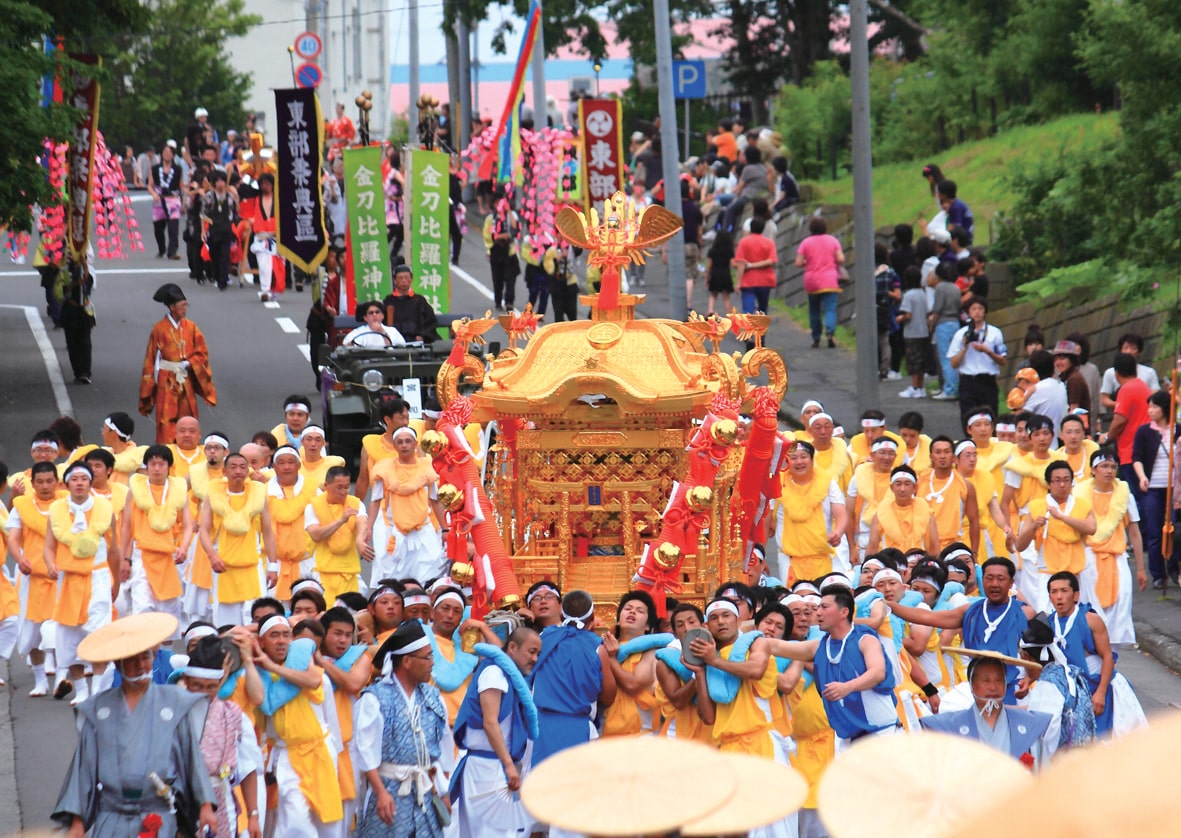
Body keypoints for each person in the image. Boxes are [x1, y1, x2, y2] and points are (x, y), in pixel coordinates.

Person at [52, 612, 218, 837]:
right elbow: (84, 770)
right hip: (111, 815)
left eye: (146, 658)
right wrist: (77, 823)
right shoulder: (99, 709)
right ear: (118, 664)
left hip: (158, 814)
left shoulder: (174, 703)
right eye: (132, 660)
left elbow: (191, 759)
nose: (141, 666)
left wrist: (205, 805)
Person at [354, 620, 453, 838]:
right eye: (427, 657)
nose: (432, 663)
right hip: (389, 790)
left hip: (426, 791)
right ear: (406, 661)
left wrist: (444, 791)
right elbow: (364, 750)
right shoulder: (376, 698)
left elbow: (443, 748)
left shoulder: (433, 698)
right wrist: (380, 792)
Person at [888, 557, 1036, 702]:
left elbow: (1040, 655)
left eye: (1000, 579)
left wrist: (1029, 678)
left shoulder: (1025, 613)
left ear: (1011, 583)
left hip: (1014, 686)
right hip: (977, 686)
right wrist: (890, 606)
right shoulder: (971, 611)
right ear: (982, 580)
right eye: (989, 578)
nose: (994, 584)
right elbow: (926, 617)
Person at [768, 587, 898, 751]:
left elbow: (878, 672)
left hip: (882, 736)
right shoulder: (820, 646)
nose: (818, 613)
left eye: (824, 607)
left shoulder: (865, 640)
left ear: (844, 612)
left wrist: (847, 687)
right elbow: (777, 646)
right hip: (847, 742)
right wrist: (745, 632)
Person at [450, 627, 542, 838]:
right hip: (485, 768)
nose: (535, 658)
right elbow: (490, 723)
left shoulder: (508, 675)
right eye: (531, 651)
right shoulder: (494, 672)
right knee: (491, 833)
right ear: (512, 647)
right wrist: (509, 766)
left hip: (495, 767)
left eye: (538, 653)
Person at [46, 462, 122, 707]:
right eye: (74, 479)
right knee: (70, 637)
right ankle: (81, 690)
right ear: (66, 483)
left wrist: (116, 580)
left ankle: (99, 689)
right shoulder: (57, 511)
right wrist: (50, 564)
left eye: (83, 479)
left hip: (97, 578)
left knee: (98, 634)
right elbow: (49, 547)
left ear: (90, 483)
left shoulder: (104, 510)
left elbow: (114, 549)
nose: (79, 483)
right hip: (68, 581)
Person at [1044, 571, 1146, 736]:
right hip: (1070, 691)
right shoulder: (1048, 623)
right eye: (1054, 592)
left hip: (1097, 684)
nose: (1059, 596)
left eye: (1064, 591)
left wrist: (1101, 692)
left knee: (1105, 740)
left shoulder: (1090, 619)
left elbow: (1107, 656)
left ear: (1075, 595)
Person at [684, 598, 783, 758]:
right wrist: (700, 673)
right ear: (706, 626)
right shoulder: (707, 657)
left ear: (738, 621)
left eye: (726, 615)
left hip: (762, 741)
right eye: (714, 618)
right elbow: (709, 718)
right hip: (728, 748)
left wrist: (714, 661)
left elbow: (756, 670)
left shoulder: (757, 643)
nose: (721, 621)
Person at [529, 589, 617, 765]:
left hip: (542, 728)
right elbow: (608, 697)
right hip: (578, 728)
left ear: (562, 613)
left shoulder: (541, 639)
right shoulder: (597, 649)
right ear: (592, 619)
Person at [921, 654, 1051, 765]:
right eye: (986, 681)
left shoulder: (1030, 725)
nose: (993, 687)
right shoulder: (949, 727)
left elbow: (1042, 779)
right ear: (972, 685)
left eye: (999, 680)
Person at [198, 452, 277, 626]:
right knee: (226, 623)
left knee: (257, 617)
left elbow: (268, 531)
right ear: (224, 471)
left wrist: (273, 565)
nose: (238, 471)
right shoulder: (214, 494)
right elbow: (203, 530)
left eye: (243, 467)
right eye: (233, 467)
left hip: (252, 565)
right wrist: (212, 556)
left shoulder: (257, 494)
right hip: (223, 565)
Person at [1075, 448, 1145, 643]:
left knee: (1121, 605)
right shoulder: (1080, 495)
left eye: (1113, 467)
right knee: (1090, 605)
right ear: (1093, 469)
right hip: (1088, 557)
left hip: (1117, 558)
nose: (1109, 471)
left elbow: (1134, 533)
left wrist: (1140, 568)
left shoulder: (1125, 496)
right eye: (1104, 466)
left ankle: (1111, 656)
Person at [6, 461, 64, 696]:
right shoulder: (22, 505)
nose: (45, 486)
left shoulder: (66, 504)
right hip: (32, 576)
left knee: (62, 629)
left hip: (61, 577)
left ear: (57, 482)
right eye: (40, 481)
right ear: (33, 484)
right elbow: (12, 538)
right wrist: (20, 559)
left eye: (50, 481)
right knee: (31, 633)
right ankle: (40, 680)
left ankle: (61, 677)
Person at [122, 445, 191, 628]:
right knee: (143, 608)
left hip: (170, 556)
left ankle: (163, 655)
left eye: (162, 464)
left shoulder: (178, 490)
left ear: (169, 466)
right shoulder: (136, 490)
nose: (157, 468)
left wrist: (184, 548)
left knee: (167, 614)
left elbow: (188, 525)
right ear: (146, 467)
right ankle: (145, 654)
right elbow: (127, 527)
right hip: (142, 555)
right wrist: (125, 559)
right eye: (153, 464)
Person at [139, 282, 217, 444]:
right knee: (166, 420)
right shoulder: (159, 329)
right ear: (172, 307)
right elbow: (151, 361)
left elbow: (202, 353)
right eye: (182, 305)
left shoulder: (191, 327)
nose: (185, 309)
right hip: (166, 382)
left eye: (185, 305)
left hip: (185, 380)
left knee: (188, 420)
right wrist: (149, 391)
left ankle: (189, 450)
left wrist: (189, 363)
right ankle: (167, 453)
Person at [1015, 461, 1096, 613]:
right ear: (1048, 484)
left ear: (1072, 482)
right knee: (1049, 621)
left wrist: (1061, 517)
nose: (1062, 485)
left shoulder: (1082, 504)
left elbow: (1091, 528)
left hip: (1077, 573)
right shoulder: (1038, 506)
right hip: (1048, 572)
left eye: (1066, 480)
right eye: (1057, 480)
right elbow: (1020, 545)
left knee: (1083, 618)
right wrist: (1034, 526)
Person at [769, 440, 846, 584]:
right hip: (789, 559)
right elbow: (767, 515)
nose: (799, 462)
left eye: (803, 456)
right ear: (786, 461)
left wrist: (838, 532)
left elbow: (840, 513)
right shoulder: (777, 482)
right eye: (793, 457)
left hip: (821, 557)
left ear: (811, 458)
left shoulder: (827, 482)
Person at [600, 591, 662, 737]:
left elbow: (633, 685)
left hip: (641, 736)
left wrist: (611, 659)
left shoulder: (651, 652)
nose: (633, 611)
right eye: (628, 609)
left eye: (640, 611)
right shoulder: (601, 648)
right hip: (605, 735)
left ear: (648, 626)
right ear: (618, 620)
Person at [1131, 390, 1177, 587]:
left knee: (1175, 530)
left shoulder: (1178, 430)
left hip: (1175, 489)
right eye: (1149, 406)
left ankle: (1175, 569)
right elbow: (1137, 457)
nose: (1150, 410)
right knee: (1154, 530)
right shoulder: (1144, 431)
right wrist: (1142, 477)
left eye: (1154, 407)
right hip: (1153, 486)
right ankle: (1158, 574)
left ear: (1165, 409)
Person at [307, 465, 371, 603]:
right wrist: (341, 520)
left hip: (350, 573)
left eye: (347, 487)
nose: (343, 492)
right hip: (323, 573)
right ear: (326, 485)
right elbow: (316, 535)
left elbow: (362, 521)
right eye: (339, 487)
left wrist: (360, 540)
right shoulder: (313, 506)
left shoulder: (355, 503)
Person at [948, 296, 1006, 425]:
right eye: (973, 309)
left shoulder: (995, 333)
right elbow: (953, 363)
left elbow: (1003, 360)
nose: (977, 312)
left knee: (990, 419)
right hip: (968, 381)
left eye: (980, 308)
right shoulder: (961, 334)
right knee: (968, 419)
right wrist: (964, 347)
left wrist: (987, 351)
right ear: (968, 312)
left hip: (988, 381)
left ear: (985, 311)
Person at [794, 216, 845, 349]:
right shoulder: (833, 240)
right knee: (830, 309)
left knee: (814, 311)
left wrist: (808, 261)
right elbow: (840, 259)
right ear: (825, 227)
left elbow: (798, 262)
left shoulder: (806, 242)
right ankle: (830, 334)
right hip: (830, 279)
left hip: (812, 280)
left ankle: (816, 338)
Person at [928, 261, 963, 400]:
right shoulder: (956, 287)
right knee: (954, 356)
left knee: (945, 358)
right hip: (955, 323)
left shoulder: (940, 287)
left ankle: (949, 389)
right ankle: (953, 387)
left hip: (943, 323)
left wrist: (931, 325)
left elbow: (937, 309)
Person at [382, 264, 440, 344]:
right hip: (395, 341)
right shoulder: (389, 301)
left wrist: (422, 335)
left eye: (406, 277)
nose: (404, 280)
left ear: (411, 280)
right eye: (400, 278)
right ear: (395, 281)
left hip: (416, 340)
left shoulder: (419, 300)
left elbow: (430, 321)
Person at [202, 171, 239, 291]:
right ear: (213, 183)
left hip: (226, 229)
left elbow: (235, 213)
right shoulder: (209, 196)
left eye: (222, 180)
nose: (220, 183)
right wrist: (203, 230)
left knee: (225, 255)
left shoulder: (230, 197)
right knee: (214, 254)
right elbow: (203, 214)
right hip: (213, 229)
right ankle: (218, 276)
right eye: (217, 181)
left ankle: (223, 279)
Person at [734, 216, 777, 318]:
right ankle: (760, 333)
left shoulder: (743, 242)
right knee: (763, 309)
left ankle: (748, 332)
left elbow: (740, 263)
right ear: (763, 229)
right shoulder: (769, 243)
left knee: (747, 311)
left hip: (748, 281)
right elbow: (772, 261)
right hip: (765, 281)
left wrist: (738, 282)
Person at [896, 266, 929, 398]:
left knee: (913, 361)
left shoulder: (908, 295)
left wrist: (900, 318)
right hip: (924, 331)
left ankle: (915, 387)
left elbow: (908, 315)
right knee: (921, 361)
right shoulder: (923, 293)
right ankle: (920, 387)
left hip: (912, 332)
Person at [149, 143, 183, 260]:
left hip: (173, 200)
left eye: (170, 152)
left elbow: (181, 186)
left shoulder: (178, 169)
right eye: (165, 152)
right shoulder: (154, 168)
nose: (167, 154)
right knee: (158, 228)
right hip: (159, 200)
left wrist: (182, 200)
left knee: (173, 227)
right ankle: (161, 248)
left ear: (173, 155)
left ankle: (172, 251)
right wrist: (154, 194)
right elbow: (150, 185)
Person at [343, 300, 407, 348]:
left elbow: (400, 348)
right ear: (365, 318)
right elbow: (346, 345)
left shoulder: (392, 331)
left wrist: (382, 331)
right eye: (371, 313)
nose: (374, 315)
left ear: (383, 316)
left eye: (377, 312)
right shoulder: (358, 332)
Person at [705, 229, 735, 315]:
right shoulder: (729, 251)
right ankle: (728, 314)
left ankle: (710, 310)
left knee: (713, 294)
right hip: (725, 274)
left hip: (715, 274)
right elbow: (733, 264)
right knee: (726, 297)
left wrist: (707, 277)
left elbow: (709, 266)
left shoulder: (712, 251)